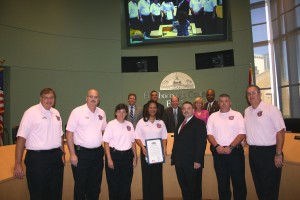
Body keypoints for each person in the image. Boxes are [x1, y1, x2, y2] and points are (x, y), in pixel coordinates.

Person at [14, 88, 64, 200]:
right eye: (46, 98)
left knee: (56, 193)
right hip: (37, 159)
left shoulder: (56, 113)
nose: (49, 100)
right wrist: (18, 163)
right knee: (39, 193)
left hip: (55, 158)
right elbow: (21, 138)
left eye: (51, 98)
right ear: (40, 99)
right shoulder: (31, 112)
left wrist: (62, 154)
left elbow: (60, 135)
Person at [244, 85, 285, 200]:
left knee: (270, 187)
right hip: (254, 153)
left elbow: (280, 132)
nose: (251, 96)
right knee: (259, 186)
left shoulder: (271, 109)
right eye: (249, 93)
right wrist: (245, 142)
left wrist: (278, 153)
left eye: (254, 93)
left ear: (260, 94)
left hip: (270, 153)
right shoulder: (247, 111)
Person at [66, 89, 107, 200]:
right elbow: (69, 134)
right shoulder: (77, 112)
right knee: (80, 186)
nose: (93, 99)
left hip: (97, 154)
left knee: (95, 186)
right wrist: (72, 154)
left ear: (99, 100)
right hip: (81, 154)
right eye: (91, 96)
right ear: (86, 98)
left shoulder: (102, 113)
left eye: (96, 97)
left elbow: (105, 132)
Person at [207, 94, 247, 200]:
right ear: (218, 103)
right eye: (221, 101)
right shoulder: (213, 116)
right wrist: (217, 146)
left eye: (226, 101)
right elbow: (209, 134)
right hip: (219, 153)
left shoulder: (237, 115)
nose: (223, 103)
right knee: (222, 184)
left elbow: (242, 133)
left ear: (230, 102)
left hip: (235, 153)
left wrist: (231, 147)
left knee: (239, 183)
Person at [171, 101, 207, 200]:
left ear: (193, 110)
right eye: (184, 108)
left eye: (189, 108)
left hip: (193, 163)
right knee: (184, 188)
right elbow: (177, 142)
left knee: (194, 190)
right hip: (180, 163)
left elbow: (201, 143)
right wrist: (174, 158)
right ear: (181, 110)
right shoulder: (180, 123)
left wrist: (198, 160)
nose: (186, 110)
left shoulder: (199, 123)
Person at [103, 103, 137, 200]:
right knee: (114, 185)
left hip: (127, 157)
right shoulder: (111, 124)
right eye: (119, 112)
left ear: (126, 113)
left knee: (126, 184)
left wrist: (135, 157)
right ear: (115, 113)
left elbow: (133, 142)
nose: (121, 114)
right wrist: (109, 159)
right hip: (114, 157)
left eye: (123, 112)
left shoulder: (129, 125)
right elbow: (106, 143)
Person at [135, 100, 167, 200]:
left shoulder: (160, 122)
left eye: (154, 107)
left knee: (157, 178)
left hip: (158, 153)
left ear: (157, 109)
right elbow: (136, 137)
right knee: (147, 178)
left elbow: (164, 137)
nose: (152, 109)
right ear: (147, 109)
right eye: (150, 107)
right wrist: (142, 147)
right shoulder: (141, 122)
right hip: (146, 152)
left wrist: (165, 149)